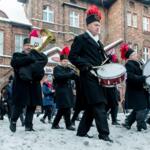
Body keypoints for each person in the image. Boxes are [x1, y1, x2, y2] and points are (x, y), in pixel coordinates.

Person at [69, 5, 112, 142]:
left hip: (98, 78)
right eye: (95, 25)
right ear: (88, 25)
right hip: (87, 77)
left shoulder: (99, 43)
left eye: (99, 25)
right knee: (99, 103)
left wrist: (108, 62)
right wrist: (85, 65)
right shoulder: (81, 39)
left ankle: (81, 132)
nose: (98, 27)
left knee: (90, 106)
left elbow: (101, 60)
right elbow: (72, 56)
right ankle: (104, 134)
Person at [10, 37, 47, 132]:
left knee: (32, 105)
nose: (29, 47)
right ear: (23, 46)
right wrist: (31, 57)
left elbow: (43, 62)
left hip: (34, 84)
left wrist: (36, 53)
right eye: (27, 45)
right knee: (19, 105)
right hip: (21, 85)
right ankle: (13, 120)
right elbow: (14, 63)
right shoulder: (17, 55)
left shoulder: (36, 56)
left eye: (31, 46)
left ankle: (28, 125)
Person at [120, 44, 150, 131]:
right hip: (134, 90)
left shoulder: (139, 63)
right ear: (130, 56)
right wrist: (143, 78)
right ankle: (141, 125)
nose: (137, 55)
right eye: (134, 54)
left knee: (139, 107)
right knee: (142, 107)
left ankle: (128, 122)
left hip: (140, 89)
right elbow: (130, 77)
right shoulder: (129, 64)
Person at [52, 47, 77, 131]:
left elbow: (73, 76)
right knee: (66, 108)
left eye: (66, 61)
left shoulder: (68, 68)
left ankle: (55, 124)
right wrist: (71, 73)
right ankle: (68, 125)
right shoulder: (57, 68)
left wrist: (75, 72)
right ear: (60, 61)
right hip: (61, 91)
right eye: (64, 61)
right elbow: (59, 77)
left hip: (68, 90)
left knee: (62, 109)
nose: (66, 63)